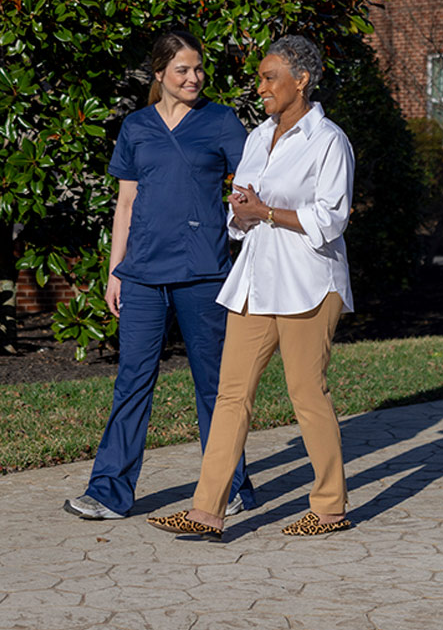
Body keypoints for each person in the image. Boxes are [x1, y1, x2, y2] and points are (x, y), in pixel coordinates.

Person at [146, 34, 355, 539]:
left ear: (301, 80)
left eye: (269, 77)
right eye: (259, 77)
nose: (259, 86)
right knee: (230, 396)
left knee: (307, 393)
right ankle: (206, 511)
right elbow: (241, 213)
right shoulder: (259, 136)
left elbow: (332, 219)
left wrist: (266, 211)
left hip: (308, 284)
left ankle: (330, 509)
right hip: (255, 283)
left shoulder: (329, 141)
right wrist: (242, 212)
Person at [64, 31, 255, 520]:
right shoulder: (136, 127)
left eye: (198, 69)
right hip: (143, 274)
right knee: (132, 381)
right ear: (159, 76)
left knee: (214, 385)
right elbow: (125, 203)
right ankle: (108, 491)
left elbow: (253, 184)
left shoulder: (220, 122)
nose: (193, 78)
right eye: (182, 71)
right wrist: (115, 271)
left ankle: (229, 487)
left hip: (203, 273)